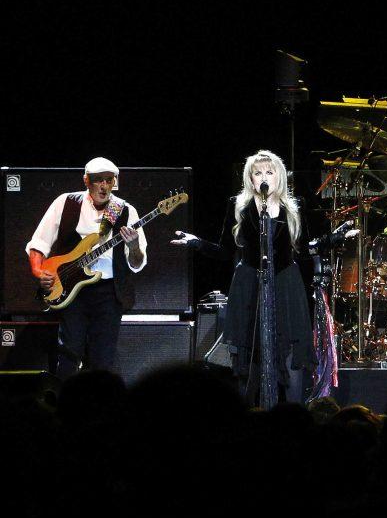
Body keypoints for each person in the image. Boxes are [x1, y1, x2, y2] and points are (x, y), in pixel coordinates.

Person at [171, 150, 314, 405]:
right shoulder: (239, 206)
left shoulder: (293, 207)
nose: (263, 177)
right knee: (250, 361)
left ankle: (294, 421)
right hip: (249, 286)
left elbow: (304, 250)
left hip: (286, 285)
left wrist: (330, 241)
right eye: (257, 173)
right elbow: (225, 250)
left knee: (290, 356)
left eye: (269, 172)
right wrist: (197, 243)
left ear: (279, 176)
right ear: (250, 178)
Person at [26, 157, 148, 378]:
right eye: (97, 180)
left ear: (115, 182)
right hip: (70, 288)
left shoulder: (126, 211)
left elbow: (137, 263)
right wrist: (39, 271)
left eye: (109, 180)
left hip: (109, 292)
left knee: (103, 357)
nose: (103, 185)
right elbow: (39, 243)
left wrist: (134, 245)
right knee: (69, 351)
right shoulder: (65, 202)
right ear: (86, 181)